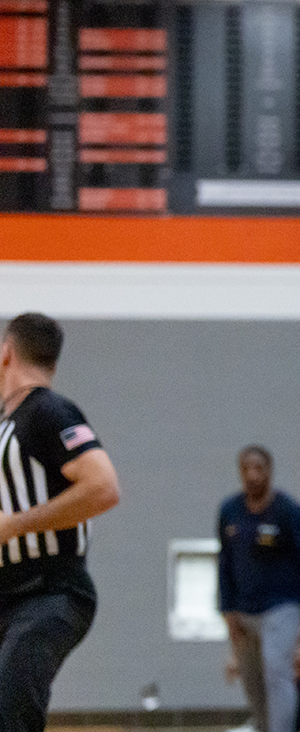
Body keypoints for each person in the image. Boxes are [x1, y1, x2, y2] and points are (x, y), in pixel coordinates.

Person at [0, 313, 120, 732]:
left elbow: (104, 487)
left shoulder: (48, 411)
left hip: (50, 592)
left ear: (6, 354)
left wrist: (15, 525)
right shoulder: (7, 425)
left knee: (11, 705)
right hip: (10, 594)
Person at [219, 445, 300, 732]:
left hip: (282, 606)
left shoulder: (287, 510)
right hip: (243, 610)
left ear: (269, 471)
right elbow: (224, 563)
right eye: (246, 469)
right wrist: (227, 609)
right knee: (251, 679)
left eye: (259, 468)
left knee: (276, 673)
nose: (252, 475)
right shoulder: (229, 511)